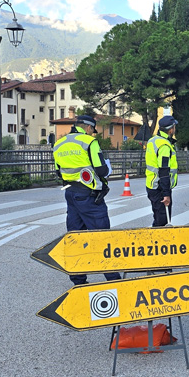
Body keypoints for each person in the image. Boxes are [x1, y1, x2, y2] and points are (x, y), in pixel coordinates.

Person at [52, 113, 121, 286]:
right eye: (92, 130)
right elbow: (102, 170)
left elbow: (58, 171)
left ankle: (78, 281)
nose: (92, 133)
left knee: (76, 237)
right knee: (101, 239)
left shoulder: (59, 143)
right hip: (90, 197)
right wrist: (106, 168)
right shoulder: (89, 142)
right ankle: (114, 282)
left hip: (71, 194)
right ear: (89, 127)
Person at [145, 115, 179, 227]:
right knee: (162, 221)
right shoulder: (164, 145)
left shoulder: (153, 140)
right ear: (171, 129)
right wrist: (166, 194)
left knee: (159, 218)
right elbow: (164, 171)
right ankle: (155, 243)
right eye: (174, 127)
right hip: (159, 187)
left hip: (152, 184)